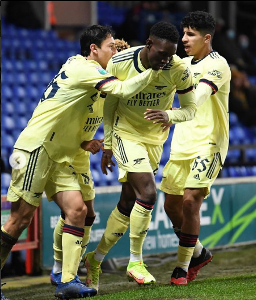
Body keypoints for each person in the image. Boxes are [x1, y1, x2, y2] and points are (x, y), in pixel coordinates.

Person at [0, 25, 161, 300]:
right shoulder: (84, 68)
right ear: (93, 49)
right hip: (37, 148)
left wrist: (86, 142)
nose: (114, 51)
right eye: (110, 46)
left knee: (78, 211)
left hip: (62, 153)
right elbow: (122, 89)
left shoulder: (93, 77)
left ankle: (67, 280)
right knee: (19, 219)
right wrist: (154, 69)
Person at [83, 21, 197, 292]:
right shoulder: (121, 62)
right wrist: (109, 144)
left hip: (155, 140)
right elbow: (110, 104)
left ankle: (95, 259)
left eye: (171, 54)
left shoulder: (179, 69)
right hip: (126, 133)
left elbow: (191, 110)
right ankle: (135, 261)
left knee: (128, 201)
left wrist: (170, 115)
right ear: (148, 45)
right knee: (147, 193)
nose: (166, 59)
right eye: (161, 54)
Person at [150, 11, 231, 285]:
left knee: (189, 202)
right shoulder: (179, 63)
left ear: (206, 38)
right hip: (182, 143)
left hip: (209, 142)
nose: (184, 38)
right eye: (183, 33)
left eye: (190, 34)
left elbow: (197, 97)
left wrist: (170, 115)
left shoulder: (219, 65)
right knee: (171, 206)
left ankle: (182, 268)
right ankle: (198, 253)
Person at [49, 39, 131, 287]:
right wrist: (85, 142)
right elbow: (61, 118)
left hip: (81, 155)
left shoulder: (110, 88)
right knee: (73, 211)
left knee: (89, 214)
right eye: (115, 54)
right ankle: (59, 268)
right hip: (61, 150)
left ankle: (70, 269)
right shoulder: (87, 76)